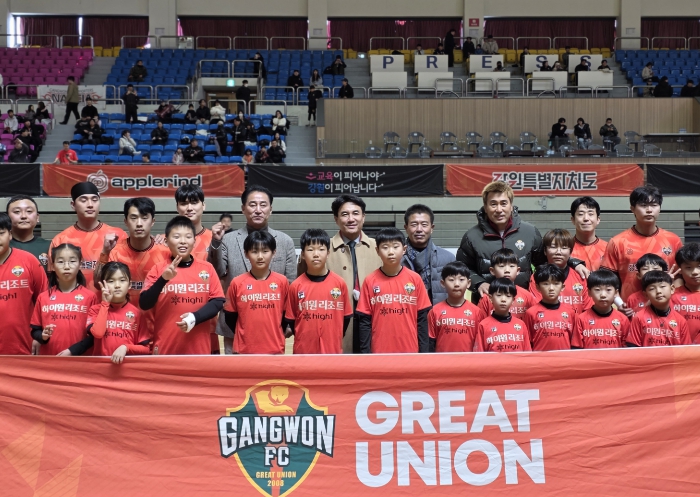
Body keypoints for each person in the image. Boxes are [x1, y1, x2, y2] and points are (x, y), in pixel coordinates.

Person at [457, 181, 586, 302]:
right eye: (493, 204)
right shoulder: (472, 236)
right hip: (487, 304)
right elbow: (462, 269)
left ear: (511, 205)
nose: (499, 209)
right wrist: (479, 283)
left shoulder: (529, 232)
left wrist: (574, 263)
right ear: (485, 207)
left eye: (503, 203)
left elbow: (547, 260)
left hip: (523, 304)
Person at [209, 185, 296, 354]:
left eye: (263, 205)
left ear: (270, 209)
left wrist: (288, 323)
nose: (258, 210)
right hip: (234, 328)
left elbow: (291, 285)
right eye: (252, 204)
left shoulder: (285, 241)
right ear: (243, 209)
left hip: (272, 327)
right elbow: (216, 272)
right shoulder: (227, 239)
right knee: (236, 370)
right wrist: (216, 243)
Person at [139, 216, 225, 355]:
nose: (183, 241)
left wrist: (194, 318)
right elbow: (144, 303)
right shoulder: (158, 269)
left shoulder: (207, 268)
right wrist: (163, 279)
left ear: (194, 241)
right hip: (165, 348)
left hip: (199, 349)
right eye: (177, 237)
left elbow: (218, 301)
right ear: (166, 241)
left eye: (188, 237)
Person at [602, 185, 683, 301]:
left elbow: (680, 275)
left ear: (660, 208)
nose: (649, 210)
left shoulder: (673, 240)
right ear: (632, 208)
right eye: (643, 205)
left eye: (654, 205)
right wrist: (620, 304)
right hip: (630, 307)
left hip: (666, 307)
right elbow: (608, 280)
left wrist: (673, 301)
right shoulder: (617, 242)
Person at [356, 228, 432, 353]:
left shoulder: (415, 279)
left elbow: (422, 319)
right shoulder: (370, 281)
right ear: (377, 251)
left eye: (395, 247)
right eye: (385, 247)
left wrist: (423, 352)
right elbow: (365, 322)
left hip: (410, 350)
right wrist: (366, 354)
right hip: (379, 351)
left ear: (404, 249)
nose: (391, 252)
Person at [94, 197, 170, 316]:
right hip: (122, 323)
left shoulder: (165, 253)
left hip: (155, 323)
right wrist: (105, 252)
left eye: (144, 218)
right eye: (134, 218)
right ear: (126, 221)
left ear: (153, 221)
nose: (139, 224)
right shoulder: (114, 251)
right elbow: (98, 284)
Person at [49, 182, 127, 294]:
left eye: (95, 200)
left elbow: (126, 274)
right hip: (74, 302)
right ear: (73, 205)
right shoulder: (61, 239)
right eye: (83, 200)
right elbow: (53, 280)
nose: (90, 204)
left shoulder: (118, 235)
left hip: (108, 302)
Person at [283, 229, 352, 354]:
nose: (316, 254)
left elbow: (346, 317)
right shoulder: (295, 286)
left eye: (321, 249)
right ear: (303, 254)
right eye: (310, 250)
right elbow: (291, 321)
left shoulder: (339, 283)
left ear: (328, 253)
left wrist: (332, 336)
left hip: (332, 351)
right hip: (303, 352)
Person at [66, 262, 150, 362]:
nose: (117, 285)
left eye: (122, 280)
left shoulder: (137, 314)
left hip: (126, 369)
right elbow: (98, 333)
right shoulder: (95, 310)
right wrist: (105, 304)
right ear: (102, 285)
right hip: (100, 368)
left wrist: (126, 347)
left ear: (129, 284)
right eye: (111, 281)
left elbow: (146, 349)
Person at [222, 231, 289, 354]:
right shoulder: (237, 282)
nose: (260, 256)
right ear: (246, 254)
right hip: (244, 350)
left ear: (273, 253)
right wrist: (245, 334)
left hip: (275, 349)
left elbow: (285, 316)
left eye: (265, 251)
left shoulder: (282, 281)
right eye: (254, 251)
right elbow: (230, 317)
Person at [30, 243, 98, 356]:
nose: (66, 266)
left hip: (80, 360)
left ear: (80, 264)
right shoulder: (43, 297)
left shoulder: (90, 297)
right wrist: (43, 336)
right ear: (52, 266)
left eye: (72, 261)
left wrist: (72, 351)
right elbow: (35, 331)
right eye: (61, 262)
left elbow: (94, 336)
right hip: (50, 360)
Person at [0, 212, 47, 354]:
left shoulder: (28, 261)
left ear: (10, 234)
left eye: (1, 233)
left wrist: (39, 336)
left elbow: (44, 301)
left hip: (24, 347)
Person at [401, 204, 455, 304]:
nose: (419, 229)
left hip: (438, 312)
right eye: (414, 224)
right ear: (406, 228)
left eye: (424, 225)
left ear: (432, 228)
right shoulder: (397, 259)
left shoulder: (448, 259)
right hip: (406, 311)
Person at [529, 229, 592, 314]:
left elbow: (588, 311)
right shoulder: (537, 277)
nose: (558, 252)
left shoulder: (581, 276)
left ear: (570, 252)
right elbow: (536, 309)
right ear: (545, 251)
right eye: (553, 247)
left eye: (564, 248)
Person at [428, 261, 484, 352]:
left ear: (468, 283)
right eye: (451, 280)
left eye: (461, 279)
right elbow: (431, 342)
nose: (457, 284)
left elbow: (480, 343)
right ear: (443, 283)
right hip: (443, 360)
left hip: (469, 360)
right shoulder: (435, 311)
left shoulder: (477, 312)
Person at [626, 271, 690, 347]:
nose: (658, 291)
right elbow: (633, 347)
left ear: (672, 289)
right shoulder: (639, 318)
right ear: (646, 295)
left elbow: (686, 350)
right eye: (652, 288)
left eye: (662, 286)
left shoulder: (681, 321)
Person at [524, 264, 577, 351]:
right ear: (538, 287)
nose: (551, 288)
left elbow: (574, 342)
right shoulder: (531, 313)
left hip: (564, 358)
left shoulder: (570, 312)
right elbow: (527, 343)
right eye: (546, 284)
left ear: (562, 287)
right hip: (539, 358)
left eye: (556, 284)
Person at [572, 269, 630, 349]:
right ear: (589, 292)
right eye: (597, 290)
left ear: (616, 293)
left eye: (608, 290)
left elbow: (627, 350)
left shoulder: (623, 319)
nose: (603, 295)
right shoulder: (581, 319)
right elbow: (576, 349)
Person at [475, 278, 531, 352]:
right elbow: (479, 354)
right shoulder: (483, 325)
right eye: (499, 295)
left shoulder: (521, 324)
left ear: (513, 300)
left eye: (508, 296)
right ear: (491, 298)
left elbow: (527, 353)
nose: (503, 299)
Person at [478, 248, 536, 321]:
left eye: (511, 266)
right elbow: (480, 323)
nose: (507, 270)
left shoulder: (527, 296)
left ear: (518, 270)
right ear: (492, 271)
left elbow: (534, 320)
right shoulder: (487, 297)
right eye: (502, 266)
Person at [6, 195, 51, 272]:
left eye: (29, 211)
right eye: (17, 212)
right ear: (7, 217)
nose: (24, 216)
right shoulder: (3, 247)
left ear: (37, 217)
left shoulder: (50, 246)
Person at [174, 184, 212, 262]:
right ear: (177, 207)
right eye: (184, 203)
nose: (189, 208)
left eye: (194, 202)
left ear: (203, 205)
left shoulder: (214, 239)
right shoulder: (166, 240)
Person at [570, 197, 607, 272]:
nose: (586, 218)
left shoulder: (608, 248)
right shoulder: (565, 249)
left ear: (598, 219)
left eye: (590, 214)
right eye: (580, 214)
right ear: (573, 220)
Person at [672, 243, 700, 342]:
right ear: (680, 269)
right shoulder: (671, 296)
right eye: (688, 267)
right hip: (678, 349)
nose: (695, 272)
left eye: (699, 266)